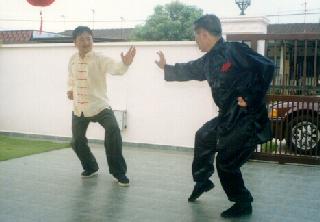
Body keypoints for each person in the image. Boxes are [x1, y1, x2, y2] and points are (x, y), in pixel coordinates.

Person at [155, 15, 274, 218]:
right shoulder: (208, 60)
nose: (196, 41)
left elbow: (267, 67)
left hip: (247, 117)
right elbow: (189, 69)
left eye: (197, 37)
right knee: (203, 136)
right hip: (227, 116)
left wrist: (251, 96)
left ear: (205, 34)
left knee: (226, 162)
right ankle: (203, 181)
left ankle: (243, 202)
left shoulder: (234, 50)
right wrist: (166, 68)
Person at [67, 26, 136, 186]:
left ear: (92, 40)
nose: (86, 42)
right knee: (76, 141)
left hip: (99, 105)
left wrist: (124, 64)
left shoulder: (99, 58)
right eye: (81, 39)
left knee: (113, 130)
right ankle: (90, 167)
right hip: (79, 108)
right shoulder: (72, 59)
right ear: (75, 42)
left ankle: (119, 173)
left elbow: (116, 68)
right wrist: (70, 89)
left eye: (88, 38)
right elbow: (71, 77)